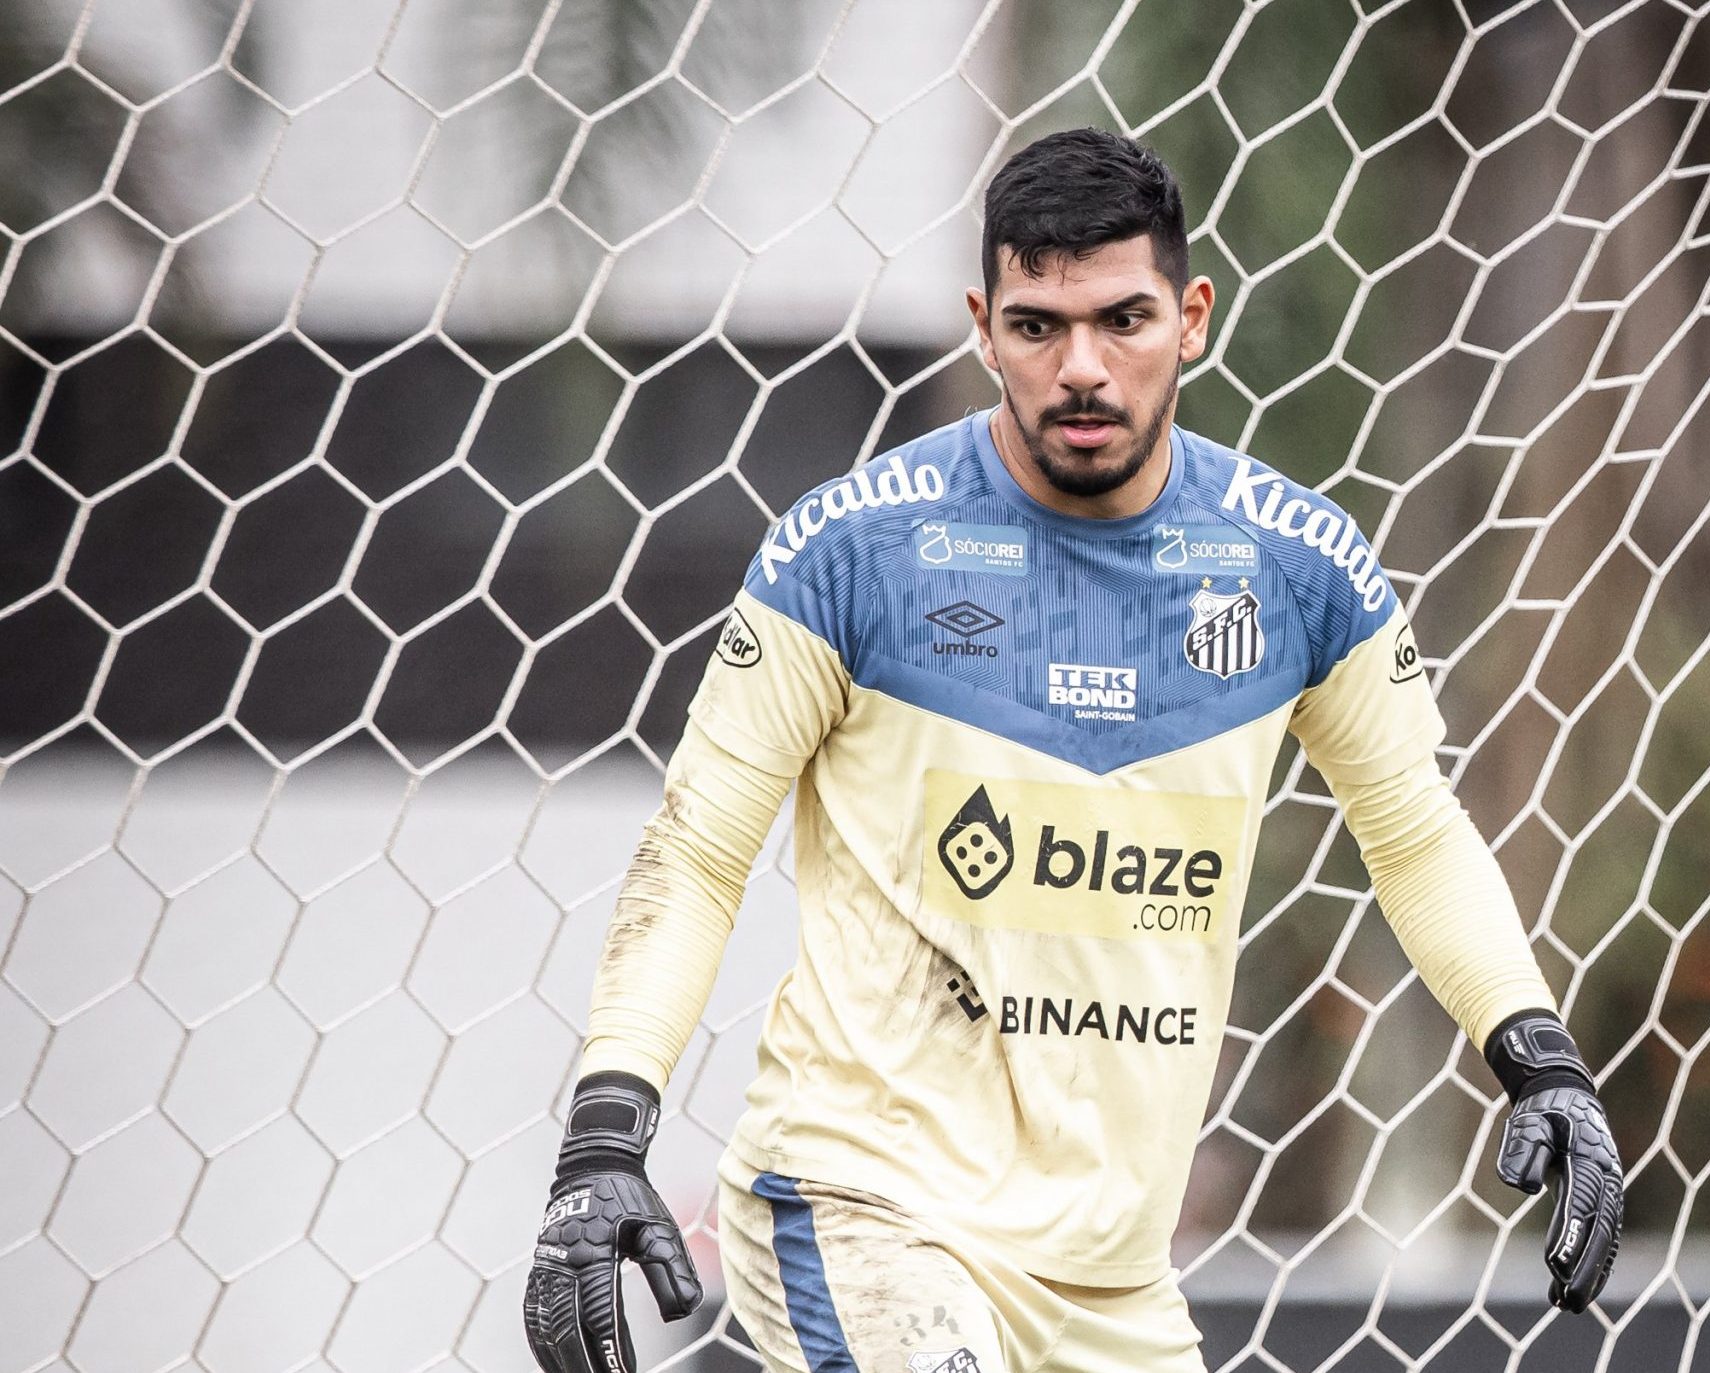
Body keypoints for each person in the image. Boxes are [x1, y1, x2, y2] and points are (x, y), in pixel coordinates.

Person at [522, 127, 1623, 1373]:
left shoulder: (1298, 567)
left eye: (1122, 319)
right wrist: (600, 1144)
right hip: (863, 1208)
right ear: (983, 325)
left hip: (1109, 1277)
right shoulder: (847, 552)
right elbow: (697, 852)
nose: (1081, 368)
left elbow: (1413, 831)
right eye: (1039, 326)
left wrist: (1540, 1057)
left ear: (1193, 315)